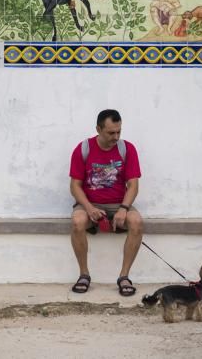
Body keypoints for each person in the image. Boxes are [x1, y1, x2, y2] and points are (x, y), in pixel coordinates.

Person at [69, 109, 143, 296]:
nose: (116, 136)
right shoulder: (83, 148)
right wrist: (89, 208)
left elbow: (133, 185)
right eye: (111, 132)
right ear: (98, 129)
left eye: (119, 131)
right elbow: (75, 186)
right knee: (77, 221)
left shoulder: (127, 149)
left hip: (119, 203)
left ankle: (124, 276)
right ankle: (84, 275)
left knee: (136, 221)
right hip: (90, 203)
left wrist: (124, 208)